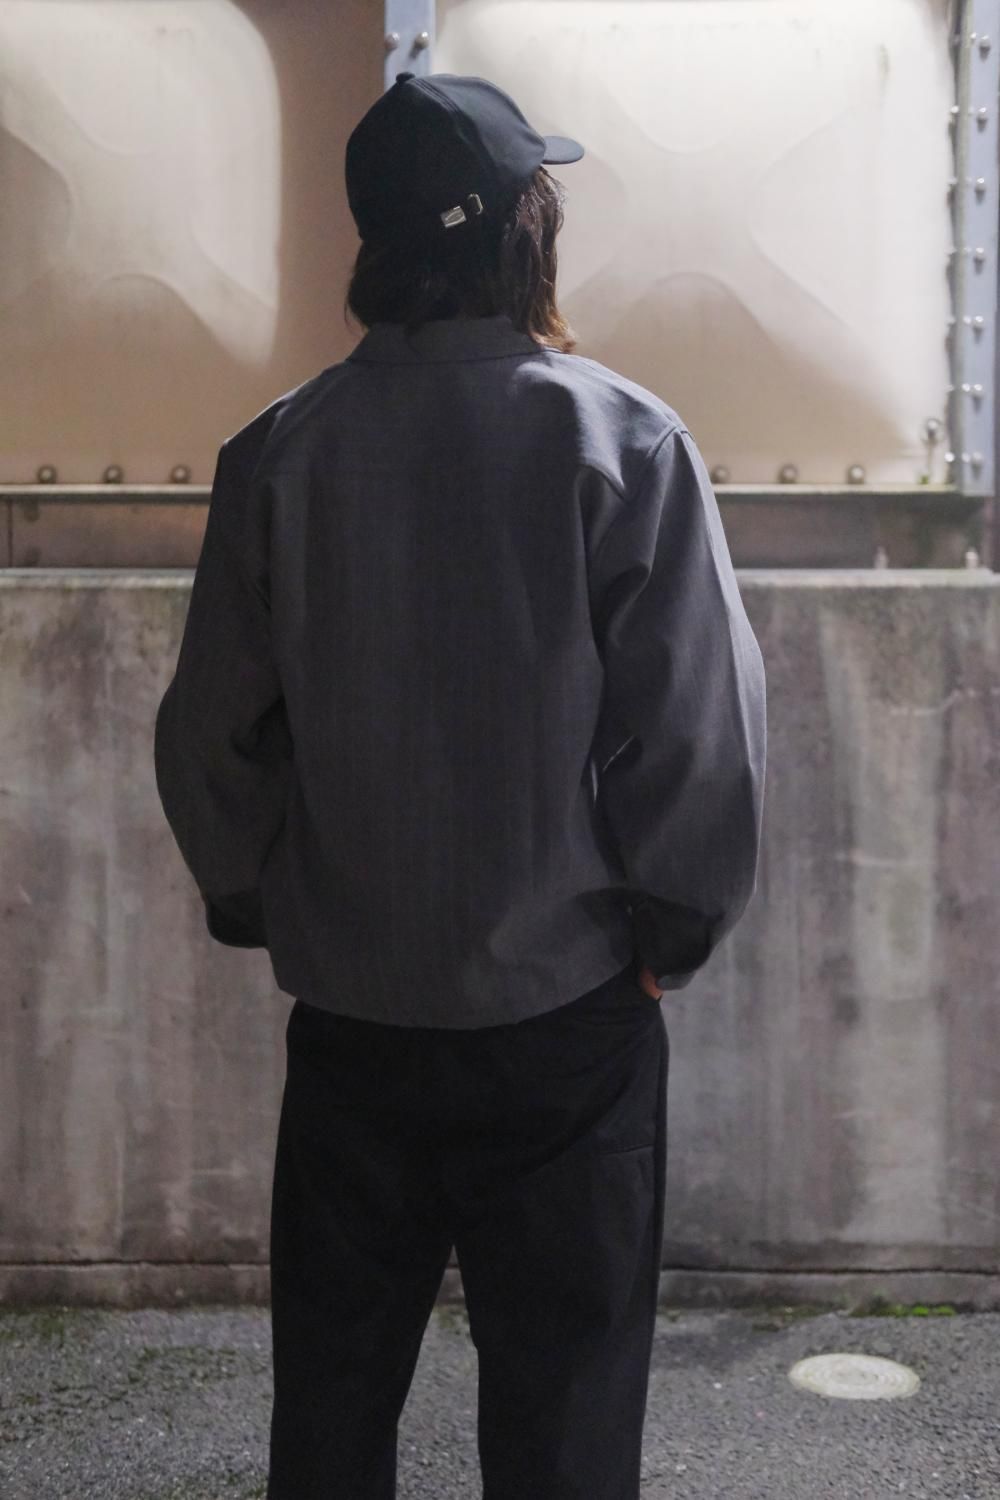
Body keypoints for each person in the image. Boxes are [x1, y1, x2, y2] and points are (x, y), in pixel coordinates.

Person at [154, 70, 766, 1500]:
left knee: (332, 1408)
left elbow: (209, 735)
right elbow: (700, 733)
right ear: (520, 232)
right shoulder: (622, 441)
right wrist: (669, 931)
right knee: (564, 1424)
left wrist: (260, 900)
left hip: (353, 1019)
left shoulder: (277, 453)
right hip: (567, 1018)